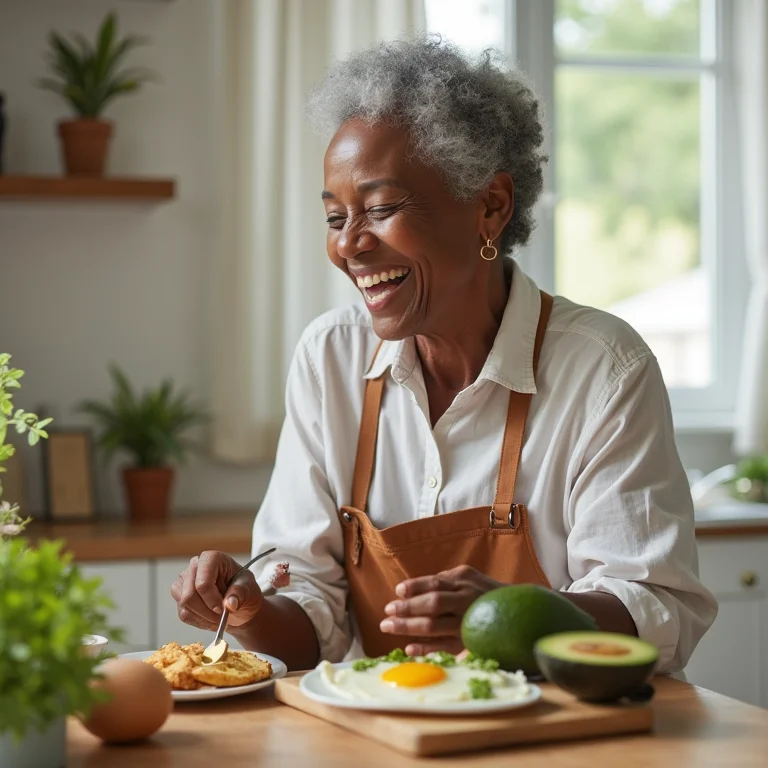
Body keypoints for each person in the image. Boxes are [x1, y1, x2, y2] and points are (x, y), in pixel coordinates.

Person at [171, 37, 716, 673]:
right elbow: (310, 624)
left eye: (381, 208)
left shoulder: (603, 369)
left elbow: (655, 609)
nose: (349, 245)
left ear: (491, 206)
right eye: (335, 218)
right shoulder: (331, 359)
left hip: (560, 722)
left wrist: (509, 615)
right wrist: (248, 609)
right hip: (387, 722)